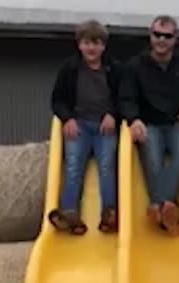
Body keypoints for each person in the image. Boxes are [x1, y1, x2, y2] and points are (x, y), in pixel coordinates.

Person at [119, 15, 179, 236]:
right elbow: (126, 99)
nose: (161, 40)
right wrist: (134, 119)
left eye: (167, 36)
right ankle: (171, 212)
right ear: (150, 36)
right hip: (149, 123)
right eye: (157, 35)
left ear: (175, 39)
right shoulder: (134, 66)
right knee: (153, 164)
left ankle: (158, 206)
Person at [48, 20, 122, 234]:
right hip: (79, 125)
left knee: (107, 166)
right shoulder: (70, 68)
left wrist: (113, 115)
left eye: (96, 43)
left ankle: (110, 213)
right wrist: (67, 119)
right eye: (87, 43)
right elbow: (57, 100)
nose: (91, 48)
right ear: (79, 44)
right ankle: (69, 213)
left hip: (104, 127)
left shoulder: (114, 68)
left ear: (103, 46)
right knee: (73, 166)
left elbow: (124, 97)